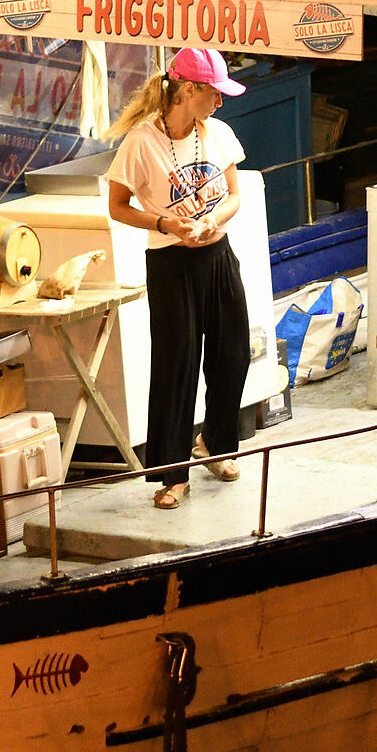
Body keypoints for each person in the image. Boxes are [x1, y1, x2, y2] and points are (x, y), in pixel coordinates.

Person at [105, 47, 251, 510]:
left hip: (218, 255)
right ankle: (172, 473)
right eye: (214, 93)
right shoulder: (141, 142)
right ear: (189, 90)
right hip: (171, 263)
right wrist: (165, 224)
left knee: (233, 354)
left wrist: (212, 222)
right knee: (177, 365)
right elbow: (117, 206)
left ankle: (215, 445)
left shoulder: (219, 133)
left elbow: (234, 196)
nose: (220, 102)